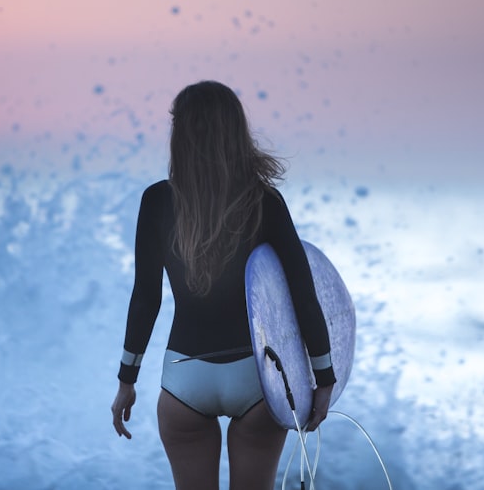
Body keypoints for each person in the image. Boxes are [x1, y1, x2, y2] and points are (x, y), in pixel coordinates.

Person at [110, 80, 336, 490]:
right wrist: (324, 377)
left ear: (181, 135)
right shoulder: (264, 202)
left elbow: (146, 297)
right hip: (258, 380)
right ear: (235, 133)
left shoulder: (157, 201)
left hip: (183, 378)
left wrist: (127, 380)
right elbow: (303, 292)